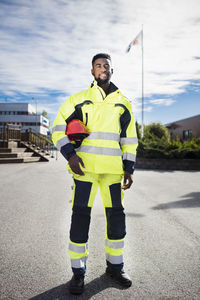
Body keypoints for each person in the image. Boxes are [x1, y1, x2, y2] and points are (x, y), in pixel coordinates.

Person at [52, 53, 138, 295]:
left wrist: (129, 168)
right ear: (92, 71)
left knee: (116, 220)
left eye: (106, 65)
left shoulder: (124, 103)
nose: (102, 68)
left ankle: (115, 267)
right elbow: (57, 128)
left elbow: (129, 140)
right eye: (98, 65)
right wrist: (70, 154)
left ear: (112, 70)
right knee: (80, 219)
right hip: (85, 171)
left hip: (112, 173)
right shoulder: (78, 100)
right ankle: (78, 273)